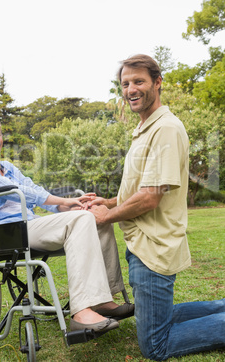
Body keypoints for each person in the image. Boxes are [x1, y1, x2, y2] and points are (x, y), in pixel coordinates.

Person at [87, 54, 225, 360]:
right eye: (125, 83)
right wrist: (106, 201)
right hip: (144, 243)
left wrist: (106, 215)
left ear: (157, 83)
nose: (131, 89)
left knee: (155, 344)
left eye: (139, 81)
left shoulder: (165, 129)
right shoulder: (146, 128)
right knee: (155, 320)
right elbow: (139, 188)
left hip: (153, 247)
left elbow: (150, 197)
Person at [0, 113, 134, 334]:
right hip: (3, 232)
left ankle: (102, 299)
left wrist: (68, 206)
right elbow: (17, 192)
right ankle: (81, 312)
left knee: (96, 219)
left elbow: (35, 190)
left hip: (29, 224)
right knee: (82, 219)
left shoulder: (9, 167)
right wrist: (63, 200)